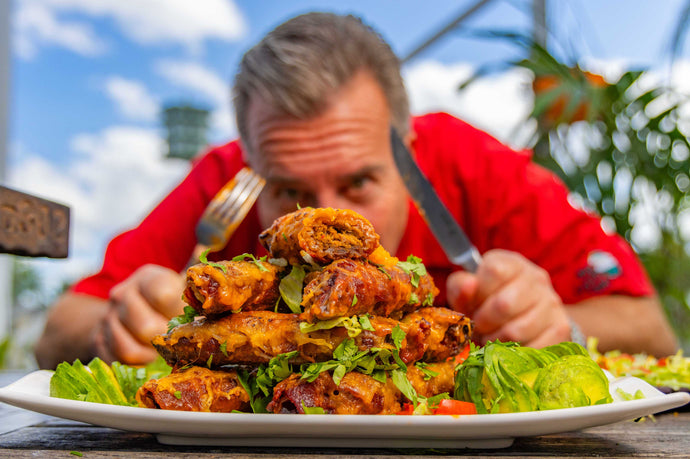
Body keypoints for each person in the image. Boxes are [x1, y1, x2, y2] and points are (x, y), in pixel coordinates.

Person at [35, 12, 678, 369]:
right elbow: (60, 327)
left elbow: (649, 327)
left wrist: (555, 322)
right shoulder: (226, 181)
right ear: (253, 162)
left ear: (408, 147)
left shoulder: (473, 166)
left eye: (359, 182)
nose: (326, 224)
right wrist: (119, 326)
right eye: (287, 189)